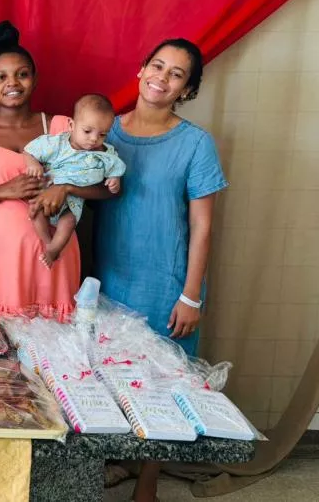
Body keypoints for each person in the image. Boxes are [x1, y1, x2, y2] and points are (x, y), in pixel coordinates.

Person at [92, 38, 227, 502]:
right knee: (107, 374)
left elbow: (203, 226)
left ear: (186, 90)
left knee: (163, 383)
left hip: (166, 285)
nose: (162, 78)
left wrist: (191, 295)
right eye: (157, 65)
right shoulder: (105, 130)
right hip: (107, 278)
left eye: (176, 74)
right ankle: (113, 461)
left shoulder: (195, 143)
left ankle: (148, 479)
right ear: (140, 69)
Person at [0, 22, 112, 319]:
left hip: (55, 250)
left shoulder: (64, 127)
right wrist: (4, 191)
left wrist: (65, 188)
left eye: (22, 74)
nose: (12, 83)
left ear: (35, 80)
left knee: (52, 341)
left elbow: (107, 188)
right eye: (1, 77)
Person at [23, 93, 125, 267]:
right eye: (87, 131)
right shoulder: (57, 144)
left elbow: (115, 167)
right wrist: (33, 164)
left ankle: (54, 249)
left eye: (102, 134)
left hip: (73, 202)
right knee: (35, 212)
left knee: (69, 222)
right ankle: (47, 242)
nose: (94, 139)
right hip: (47, 192)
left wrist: (115, 179)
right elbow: (29, 151)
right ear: (71, 125)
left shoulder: (104, 153)